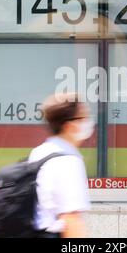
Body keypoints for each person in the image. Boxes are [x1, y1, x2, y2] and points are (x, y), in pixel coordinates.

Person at [28, 93, 94, 238]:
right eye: (84, 118)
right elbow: (71, 220)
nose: (89, 122)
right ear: (70, 125)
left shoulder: (39, 152)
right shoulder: (68, 160)